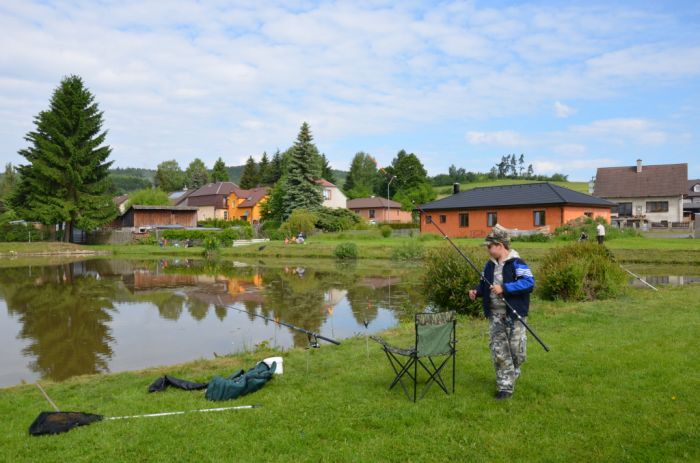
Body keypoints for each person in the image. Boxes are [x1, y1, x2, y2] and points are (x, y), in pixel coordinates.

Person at [469, 228, 535, 400]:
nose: (487, 249)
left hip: (515, 316)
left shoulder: (517, 262)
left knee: (517, 351)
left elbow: (529, 283)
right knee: (499, 351)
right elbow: (484, 285)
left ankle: (514, 371)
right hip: (495, 316)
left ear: (499, 245)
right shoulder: (489, 265)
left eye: (489, 246)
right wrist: (476, 291)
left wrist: (505, 288)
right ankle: (505, 387)